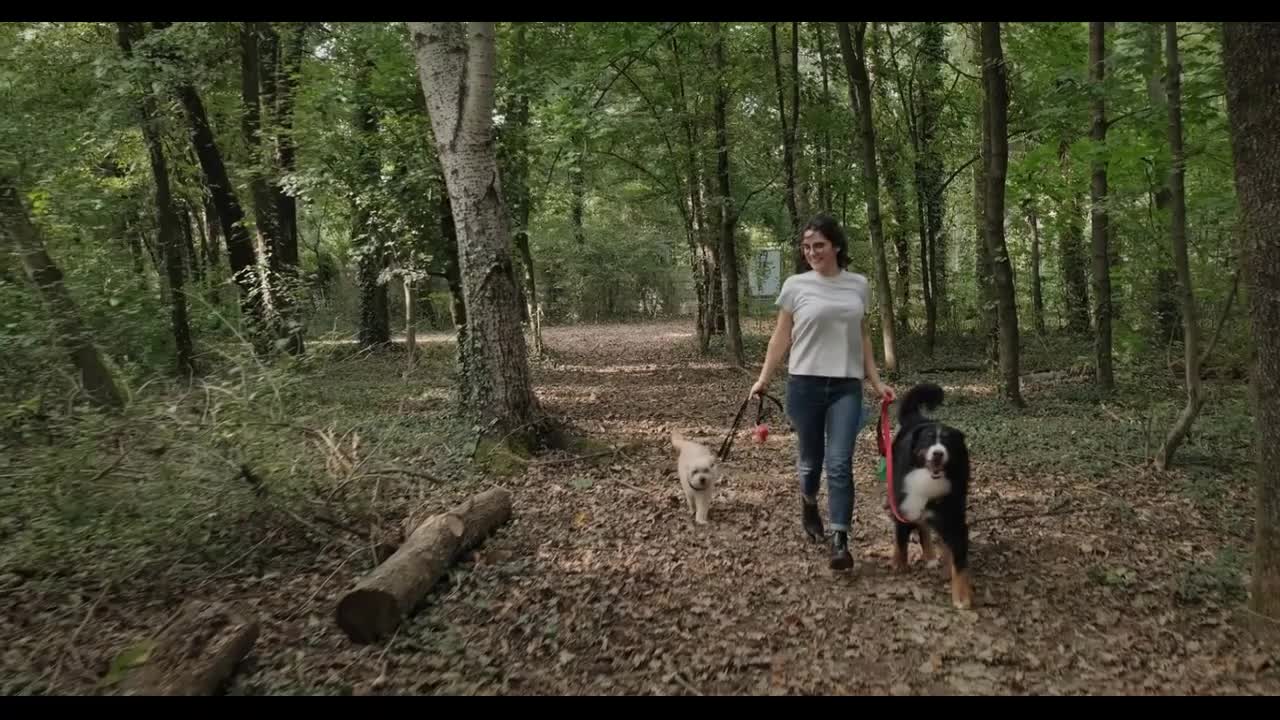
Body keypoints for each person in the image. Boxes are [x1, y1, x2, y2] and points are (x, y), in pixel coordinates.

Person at [750, 214, 895, 571]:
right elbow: (781, 337)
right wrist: (763, 379)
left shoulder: (858, 285)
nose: (812, 252)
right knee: (811, 462)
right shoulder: (795, 286)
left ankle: (840, 539)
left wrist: (876, 382)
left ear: (836, 246)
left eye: (819, 245)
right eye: (807, 246)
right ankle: (809, 501)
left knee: (840, 462)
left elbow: (862, 338)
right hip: (804, 384)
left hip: (846, 386)